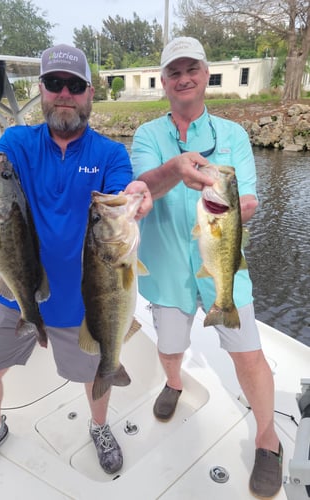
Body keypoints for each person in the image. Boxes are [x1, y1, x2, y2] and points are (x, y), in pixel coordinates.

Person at [0, 43, 152, 482]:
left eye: (74, 85)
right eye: (55, 83)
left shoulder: (110, 154)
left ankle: (99, 426)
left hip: (86, 298)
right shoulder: (17, 142)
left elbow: (124, 191)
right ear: (41, 89)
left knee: (97, 371)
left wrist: (135, 198)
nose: (64, 93)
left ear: (89, 93)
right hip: (17, 289)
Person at [130, 37, 282, 499]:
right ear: (164, 82)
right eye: (174, 72)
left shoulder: (234, 136)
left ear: (205, 72)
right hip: (165, 269)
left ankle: (267, 438)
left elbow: (250, 198)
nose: (184, 78)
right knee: (172, 346)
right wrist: (176, 169)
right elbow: (142, 191)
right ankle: (174, 384)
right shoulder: (145, 136)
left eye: (191, 68)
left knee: (248, 353)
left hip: (224, 264)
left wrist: (238, 204)